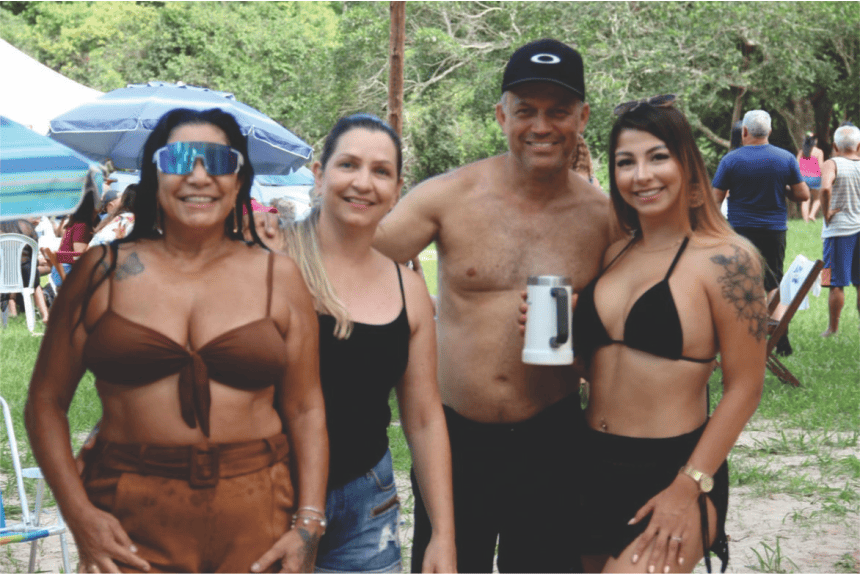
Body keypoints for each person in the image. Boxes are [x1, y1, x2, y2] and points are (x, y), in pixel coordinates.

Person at [25, 107, 328, 573]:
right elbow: (45, 402)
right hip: (128, 517)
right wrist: (79, 514)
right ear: (154, 176)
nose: (199, 176)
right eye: (180, 159)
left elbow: (306, 408)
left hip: (257, 513)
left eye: (219, 161)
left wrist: (308, 523)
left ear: (239, 180)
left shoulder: (280, 277)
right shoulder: (100, 273)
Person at [374, 39, 614, 573]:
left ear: (582, 118)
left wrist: (587, 325)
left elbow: (640, 318)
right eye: (526, 111)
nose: (541, 126)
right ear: (502, 115)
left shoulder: (604, 218)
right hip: (455, 436)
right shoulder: (448, 196)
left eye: (558, 111)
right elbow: (358, 256)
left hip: (552, 434)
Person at [568, 96, 766, 574]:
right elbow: (598, 367)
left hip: (673, 470)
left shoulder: (727, 260)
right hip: (589, 464)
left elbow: (745, 387)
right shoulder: (613, 253)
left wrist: (686, 487)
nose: (642, 175)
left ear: (686, 164)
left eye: (657, 157)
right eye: (625, 162)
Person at [280, 113, 456, 573]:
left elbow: (423, 418)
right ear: (319, 175)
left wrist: (443, 534)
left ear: (397, 190)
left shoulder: (408, 291)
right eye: (348, 165)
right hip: (269, 493)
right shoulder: (270, 263)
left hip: (366, 506)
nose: (363, 182)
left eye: (380, 171)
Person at [712, 109, 809, 356]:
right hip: (773, 230)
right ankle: (780, 337)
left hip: (740, 231)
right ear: (770, 131)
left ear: (744, 131)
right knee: (773, 282)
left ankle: (741, 338)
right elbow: (803, 194)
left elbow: (715, 200)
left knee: (739, 282)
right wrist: (783, 190)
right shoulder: (785, 158)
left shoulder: (730, 160)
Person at [818, 124, 860, 337]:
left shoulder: (831, 163)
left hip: (838, 231)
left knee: (833, 282)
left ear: (835, 146)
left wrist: (826, 212)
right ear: (859, 146)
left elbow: (825, 188)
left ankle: (832, 329)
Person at [51, 176, 101, 287]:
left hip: (60, 270)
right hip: (66, 272)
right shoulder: (82, 226)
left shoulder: (76, 222)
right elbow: (79, 255)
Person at [0, 219, 50, 323]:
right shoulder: (26, 226)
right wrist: (36, 262)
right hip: (26, 269)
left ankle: (13, 315)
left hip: (4, 270)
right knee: (35, 286)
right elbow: (33, 253)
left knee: (10, 274)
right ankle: (45, 315)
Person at [797, 132, 826, 223]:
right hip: (815, 178)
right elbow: (821, 166)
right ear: (815, 141)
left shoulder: (801, 152)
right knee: (818, 198)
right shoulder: (818, 152)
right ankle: (812, 215)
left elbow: (796, 166)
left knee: (805, 200)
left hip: (803, 178)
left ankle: (806, 222)